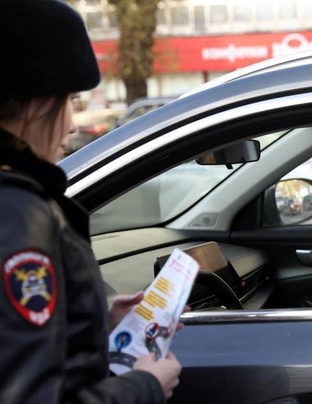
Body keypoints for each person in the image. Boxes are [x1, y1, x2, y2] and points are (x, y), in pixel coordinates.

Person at [0, 1, 181, 402]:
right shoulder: (16, 212)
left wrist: (100, 320)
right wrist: (145, 386)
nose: (69, 123)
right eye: (67, 102)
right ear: (34, 103)